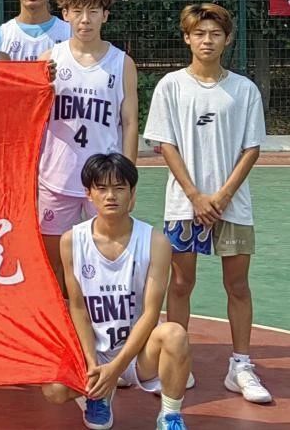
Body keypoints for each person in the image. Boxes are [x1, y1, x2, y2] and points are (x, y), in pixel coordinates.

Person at [143, 3, 272, 404]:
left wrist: (223, 195)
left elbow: (251, 148)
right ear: (187, 38)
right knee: (181, 283)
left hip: (233, 205)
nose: (207, 40)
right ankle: (177, 360)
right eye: (199, 33)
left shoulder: (244, 89)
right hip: (184, 206)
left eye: (215, 34)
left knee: (238, 285)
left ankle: (240, 366)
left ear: (227, 39)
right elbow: (166, 144)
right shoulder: (170, 86)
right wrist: (195, 196)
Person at [40, 153, 192, 430]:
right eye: (101, 188)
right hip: (94, 350)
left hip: (138, 353)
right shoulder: (72, 241)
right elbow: (78, 307)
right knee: (53, 389)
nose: (110, 196)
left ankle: (170, 415)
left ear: (132, 193)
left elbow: (150, 313)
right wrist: (93, 364)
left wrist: (117, 368)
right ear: (88, 193)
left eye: (119, 188)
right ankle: (98, 395)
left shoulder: (155, 242)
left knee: (175, 335)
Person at [37, 0, 139, 285]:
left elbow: (129, 122)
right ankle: (62, 318)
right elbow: (33, 120)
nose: (85, 19)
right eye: (77, 11)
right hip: (56, 178)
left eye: (93, 11)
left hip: (105, 183)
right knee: (53, 266)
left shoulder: (122, 63)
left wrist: (129, 179)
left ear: (105, 15)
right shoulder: (49, 60)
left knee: (104, 260)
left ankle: (98, 317)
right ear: (65, 14)